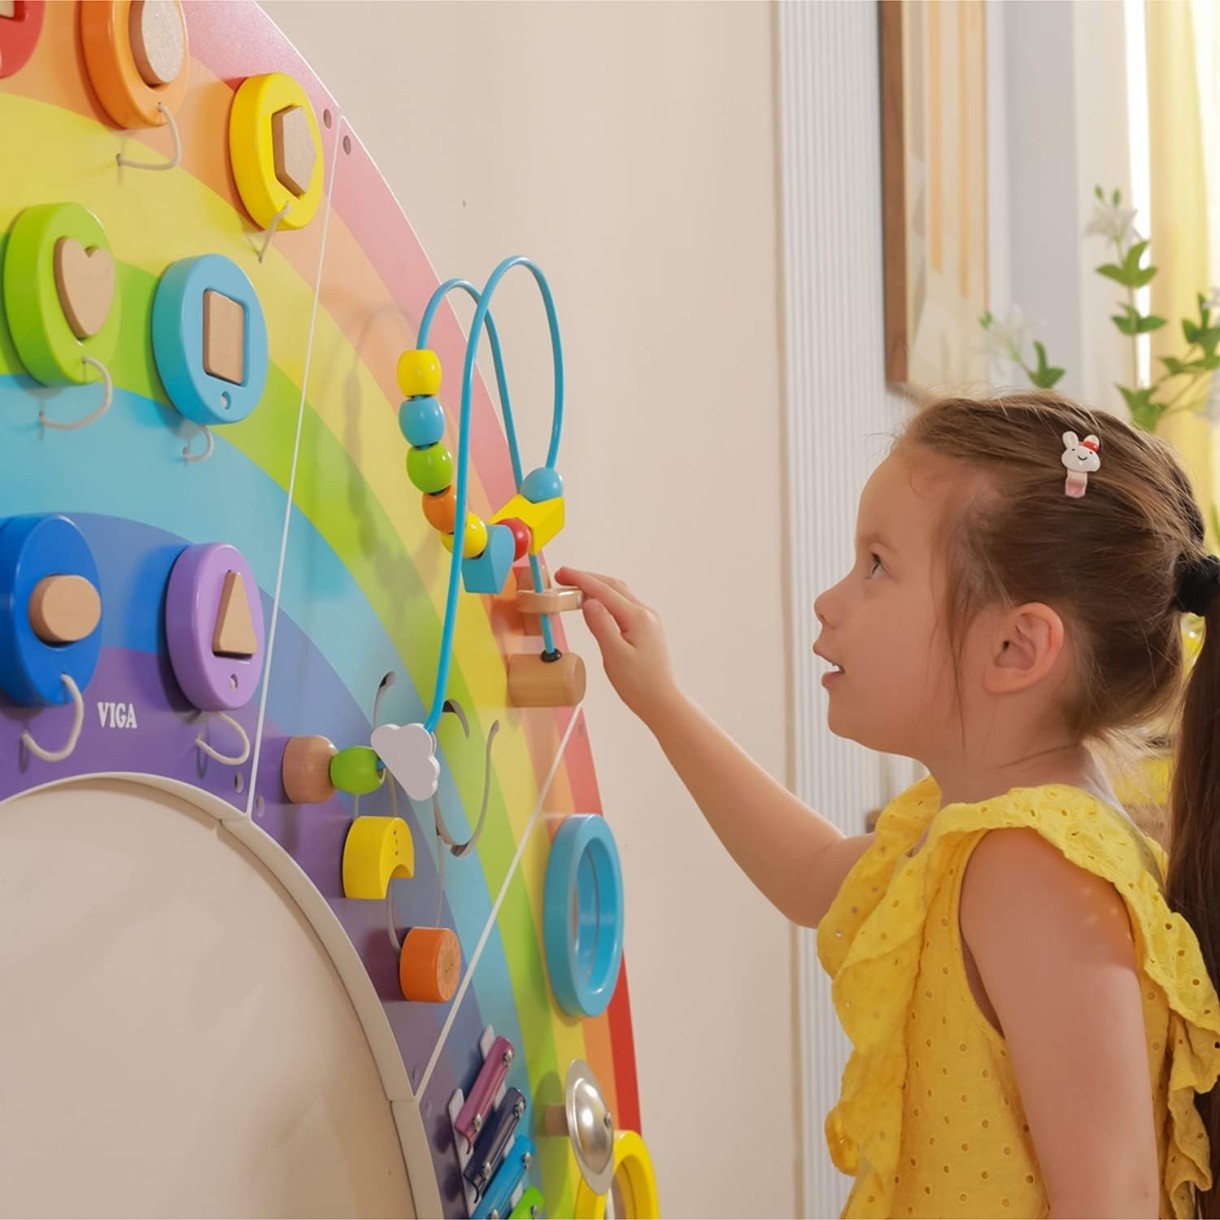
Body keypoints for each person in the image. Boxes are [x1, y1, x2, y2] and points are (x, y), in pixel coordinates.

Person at [556, 390, 1220, 1219]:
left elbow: (1111, 1203)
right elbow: (810, 873)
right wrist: (661, 701)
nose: (830, 600)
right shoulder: (972, 828)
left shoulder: (1037, 871)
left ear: (1015, 647)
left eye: (876, 565)